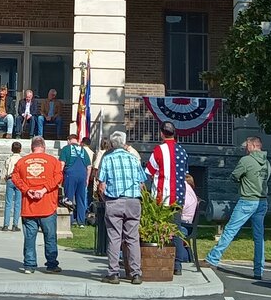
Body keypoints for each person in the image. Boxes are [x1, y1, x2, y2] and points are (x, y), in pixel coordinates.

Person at [204, 136, 271, 280]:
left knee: (230, 230)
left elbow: (234, 176)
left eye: (247, 145)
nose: (245, 148)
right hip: (262, 202)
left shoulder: (246, 160)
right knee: (259, 237)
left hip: (247, 200)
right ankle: (258, 270)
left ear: (253, 145)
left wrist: (242, 181)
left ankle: (213, 259)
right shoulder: (267, 163)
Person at [97, 130, 145, 284]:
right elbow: (142, 183)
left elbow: (101, 185)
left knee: (114, 237)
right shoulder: (134, 159)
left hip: (114, 200)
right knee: (133, 238)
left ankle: (113, 273)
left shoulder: (107, 158)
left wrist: (105, 200)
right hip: (133, 200)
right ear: (124, 143)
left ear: (112, 144)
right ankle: (136, 273)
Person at [12, 137, 63, 274]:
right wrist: (44, 189)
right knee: (50, 237)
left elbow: (15, 178)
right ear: (44, 147)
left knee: (29, 237)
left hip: (29, 207)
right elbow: (58, 177)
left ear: (31, 147)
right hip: (47, 206)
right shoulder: (53, 161)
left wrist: (27, 190)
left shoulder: (22, 162)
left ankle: (29, 265)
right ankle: (51, 265)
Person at [145, 121, 189, 210]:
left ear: (162, 134)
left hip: (161, 198)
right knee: (176, 223)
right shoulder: (182, 151)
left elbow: (149, 172)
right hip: (178, 197)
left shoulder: (158, 150)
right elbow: (186, 173)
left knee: (160, 224)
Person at [59, 134, 92, 226]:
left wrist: (60, 177)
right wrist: (87, 179)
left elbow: (62, 164)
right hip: (82, 175)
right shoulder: (83, 150)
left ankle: (70, 220)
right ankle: (81, 221)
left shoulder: (66, 149)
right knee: (81, 199)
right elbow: (89, 166)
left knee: (68, 198)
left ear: (69, 140)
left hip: (71, 174)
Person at [174, 172, 200, 275]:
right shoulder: (191, 192)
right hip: (186, 224)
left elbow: (180, 209)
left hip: (184, 226)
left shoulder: (185, 192)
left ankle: (180, 260)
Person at [2, 141, 24, 231]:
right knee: (18, 203)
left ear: (11, 149)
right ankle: (15, 224)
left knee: (8, 203)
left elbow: (4, 173)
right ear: (20, 150)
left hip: (10, 179)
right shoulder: (22, 160)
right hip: (19, 180)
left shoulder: (9, 159)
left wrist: (6, 178)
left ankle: (6, 225)